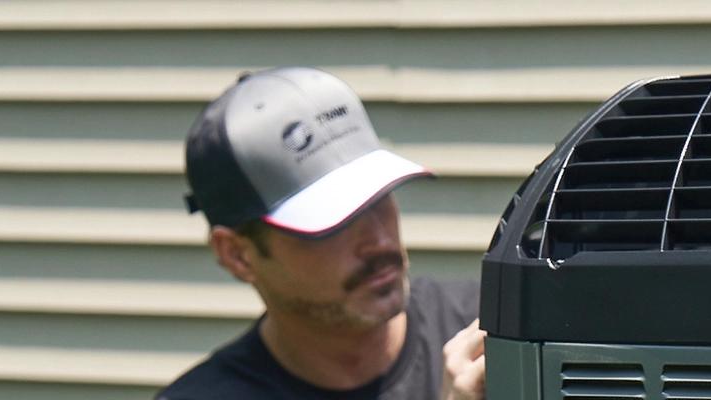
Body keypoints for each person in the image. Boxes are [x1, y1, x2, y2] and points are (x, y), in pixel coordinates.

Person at [157, 67, 486, 399]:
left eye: (379, 198)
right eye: (335, 220)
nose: (379, 241)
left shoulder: (492, 330)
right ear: (238, 255)